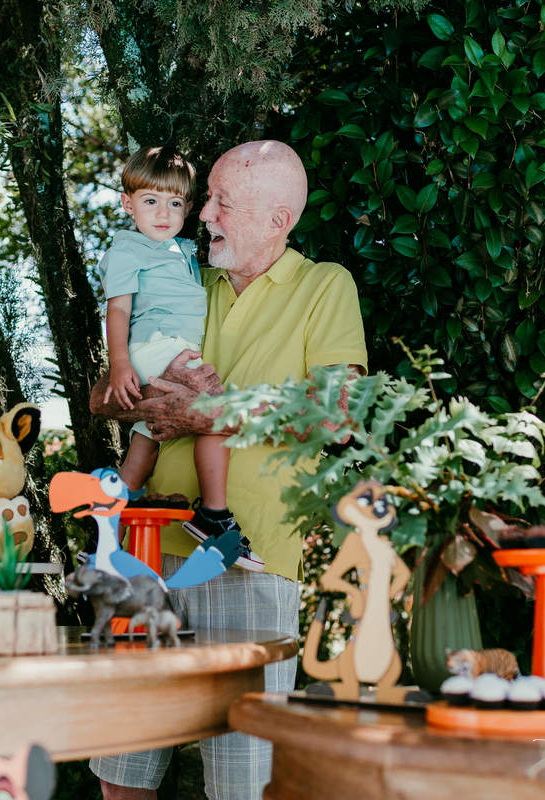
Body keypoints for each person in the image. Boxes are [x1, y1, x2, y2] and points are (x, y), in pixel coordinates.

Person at [88, 139, 368, 800]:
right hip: (146, 554)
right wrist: (139, 394)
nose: (204, 213)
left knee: (243, 785)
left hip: (255, 561)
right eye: (207, 197)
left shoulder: (324, 286)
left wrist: (208, 414)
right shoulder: (183, 274)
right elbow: (102, 397)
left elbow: (339, 412)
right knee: (121, 776)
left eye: (222, 202)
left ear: (277, 221)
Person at [100, 145, 263, 571]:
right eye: (150, 201)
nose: (163, 213)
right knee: (215, 414)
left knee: (142, 450)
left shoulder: (182, 250)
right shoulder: (128, 250)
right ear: (128, 204)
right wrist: (120, 363)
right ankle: (213, 515)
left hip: (168, 350)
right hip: (157, 347)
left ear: (188, 208)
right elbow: (118, 310)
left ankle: (105, 539)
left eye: (174, 204)